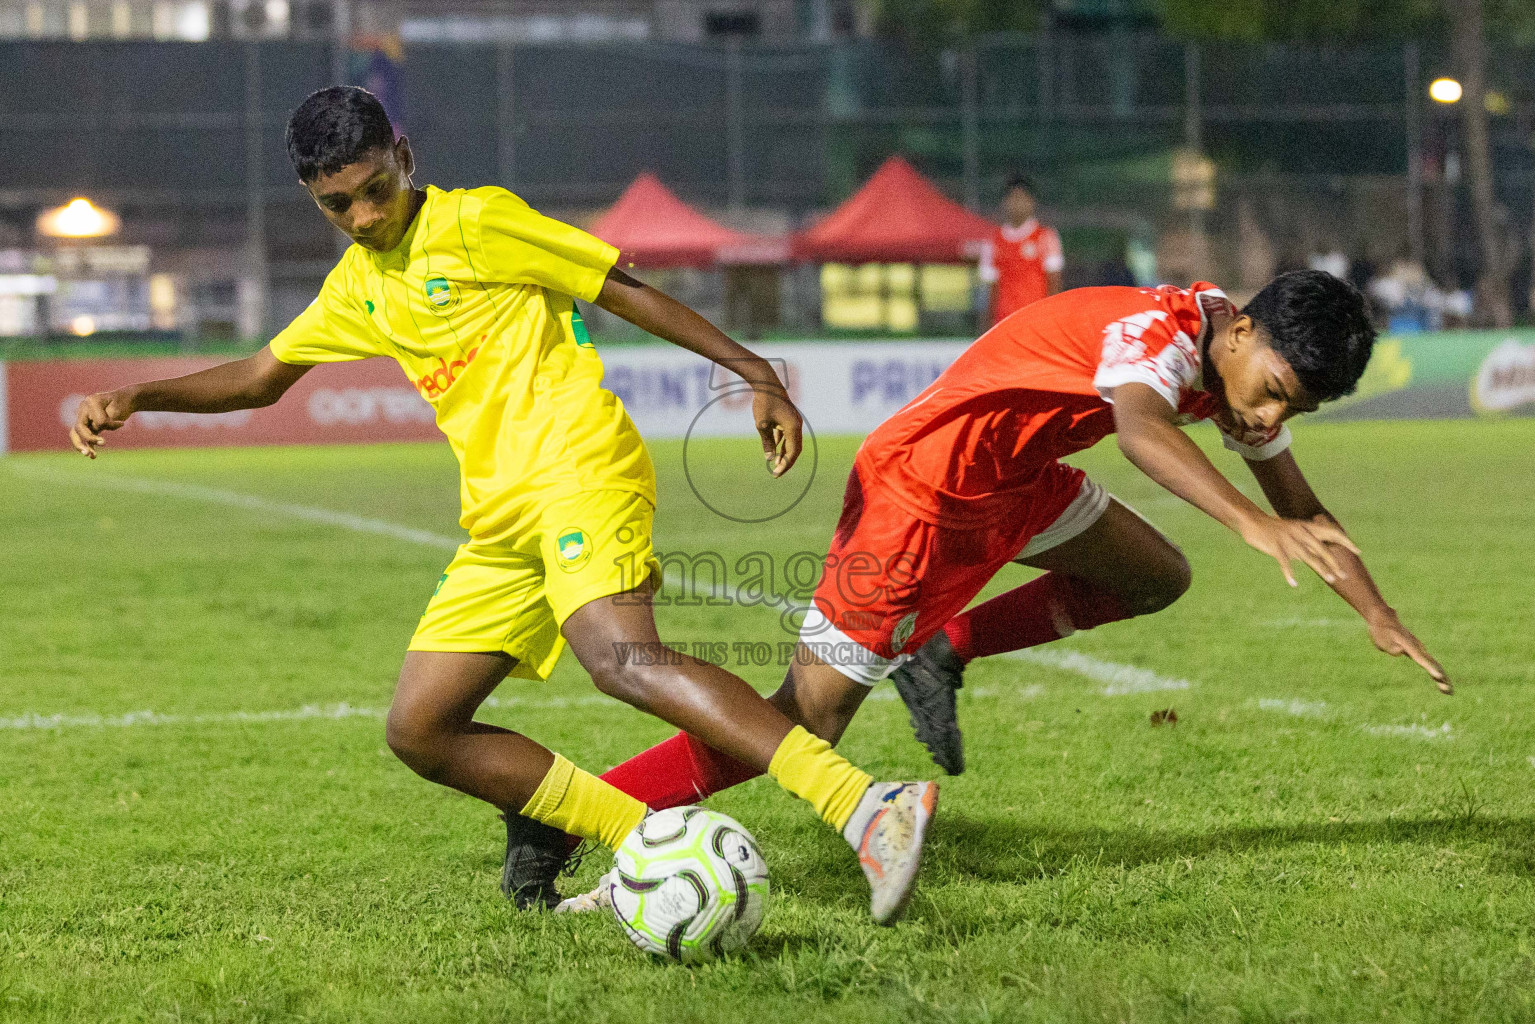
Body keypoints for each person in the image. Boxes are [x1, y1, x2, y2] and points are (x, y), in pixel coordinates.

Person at [67, 86, 937, 925]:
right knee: (423, 727)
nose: (365, 216)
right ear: (314, 199)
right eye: (340, 206)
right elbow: (262, 377)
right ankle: (638, 839)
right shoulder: (358, 284)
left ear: (403, 157)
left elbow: (616, 285)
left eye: (376, 190)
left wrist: (751, 370)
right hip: (499, 520)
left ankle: (865, 804)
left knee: (621, 659)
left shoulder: (476, 221)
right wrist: (141, 391)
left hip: (578, 467)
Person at [544, 270, 1450, 911]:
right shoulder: (1159, 337)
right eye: (1278, 393)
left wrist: (1377, 611)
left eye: (1297, 409)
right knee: (806, 723)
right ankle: (570, 817)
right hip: (926, 490)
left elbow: (1301, 505)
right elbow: (1138, 430)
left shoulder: (1236, 364)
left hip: (1019, 483)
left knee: (1153, 575)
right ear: (1244, 335)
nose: (1271, 416)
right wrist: (1248, 524)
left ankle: (944, 648)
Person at [977, 172, 1063, 326]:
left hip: (1036, 322)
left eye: (1022, 198)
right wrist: (985, 325)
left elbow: (1054, 283)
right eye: (1013, 198)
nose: (1017, 204)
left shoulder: (1045, 237)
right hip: (1004, 323)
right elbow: (989, 288)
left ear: (1031, 202)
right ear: (1004, 202)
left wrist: (1053, 321)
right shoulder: (993, 242)